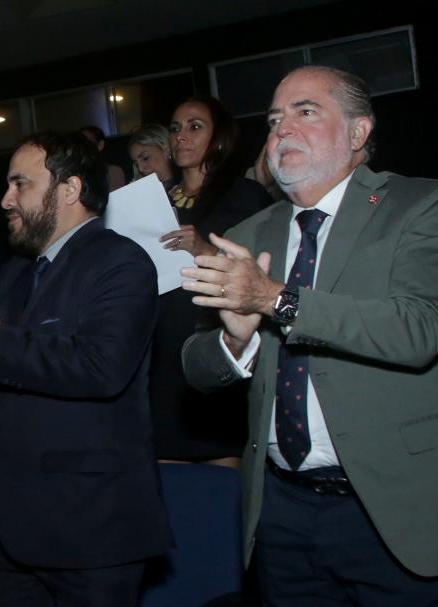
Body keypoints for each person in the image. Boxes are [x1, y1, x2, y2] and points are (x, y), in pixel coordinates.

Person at [180, 66, 438, 605]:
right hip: (283, 511)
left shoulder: (423, 205)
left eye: (306, 112)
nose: (281, 129)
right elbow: (195, 365)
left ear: (358, 133)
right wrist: (234, 342)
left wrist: (275, 299)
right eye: (275, 119)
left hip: (398, 507)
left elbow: (417, 330)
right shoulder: (245, 236)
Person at [0, 132, 170, 606]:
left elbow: (102, 368)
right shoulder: (18, 273)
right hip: (15, 528)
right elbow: (12, 371)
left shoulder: (121, 261)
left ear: (69, 190)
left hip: (93, 529)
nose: (5, 199)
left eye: (20, 185)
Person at [150, 96, 273, 466]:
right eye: (175, 129)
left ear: (218, 138)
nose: (181, 136)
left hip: (214, 339)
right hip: (158, 345)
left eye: (194, 127)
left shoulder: (245, 196)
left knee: (219, 486)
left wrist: (202, 248)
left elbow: (262, 275)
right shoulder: (154, 198)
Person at [126, 124, 176, 188]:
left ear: (166, 149)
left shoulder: (188, 181)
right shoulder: (138, 188)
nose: (141, 169)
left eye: (145, 158)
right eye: (136, 164)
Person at [79, 124, 127, 191]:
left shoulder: (113, 172)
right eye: (80, 143)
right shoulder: (76, 174)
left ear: (100, 145)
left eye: (88, 142)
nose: (83, 147)